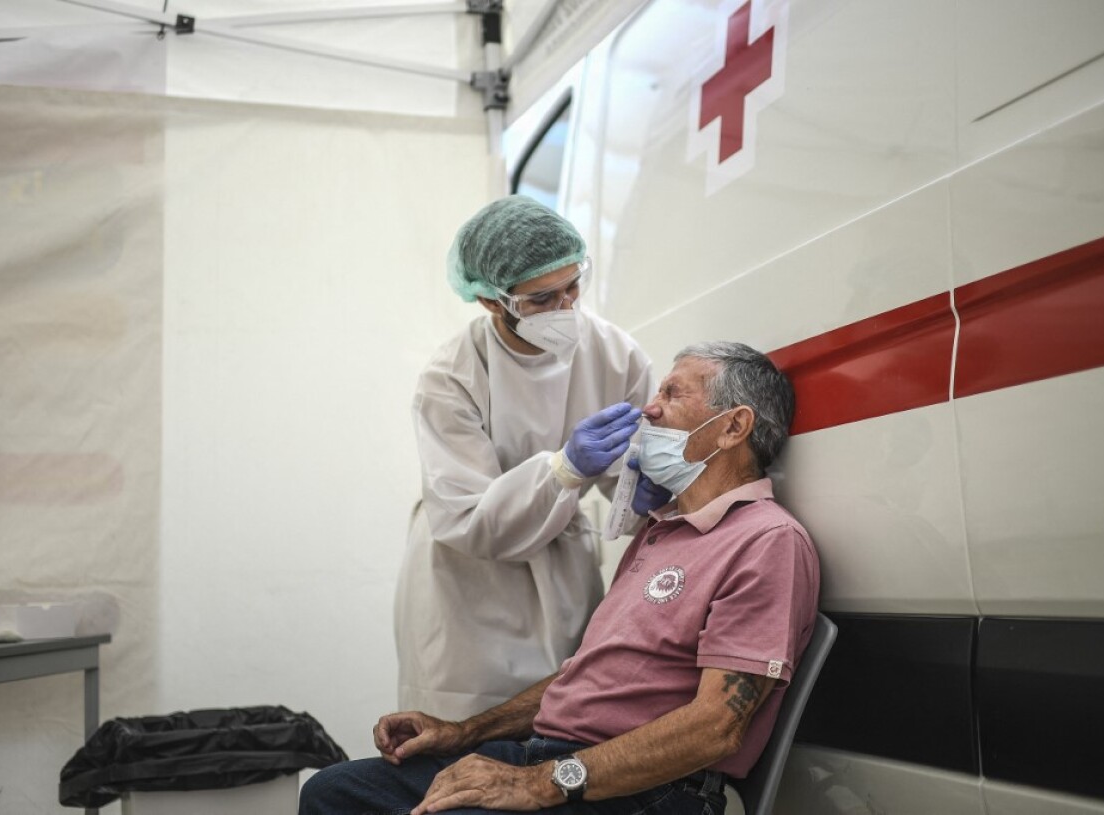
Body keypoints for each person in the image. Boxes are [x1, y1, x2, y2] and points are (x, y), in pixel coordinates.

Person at [305, 341, 819, 815]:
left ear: (733, 427)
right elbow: (584, 680)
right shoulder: (660, 531)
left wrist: (539, 783)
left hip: (650, 784)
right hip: (554, 757)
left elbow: (716, 729)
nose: (649, 408)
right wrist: (463, 733)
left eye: (672, 393)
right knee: (333, 792)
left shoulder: (766, 540)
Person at [396, 195, 660, 721]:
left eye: (573, 286)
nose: (564, 308)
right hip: (467, 589)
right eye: (541, 299)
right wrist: (563, 470)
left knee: (560, 718)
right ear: (491, 301)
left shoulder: (615, 354)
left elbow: (629, 487)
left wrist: (644, 493)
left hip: (561, 572)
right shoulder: (450, 378)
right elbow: (470, 520)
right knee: (456, 732)